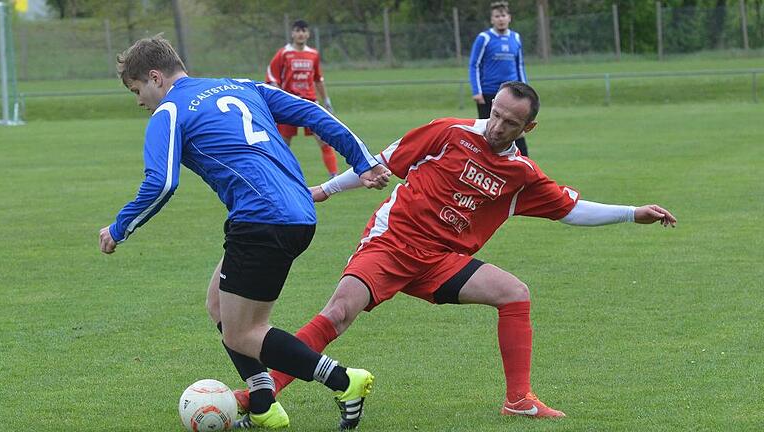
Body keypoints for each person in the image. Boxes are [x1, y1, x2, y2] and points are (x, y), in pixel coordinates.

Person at [232, 81, 677, 420]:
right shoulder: (449, 132)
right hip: (392, 244)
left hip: (440, 261)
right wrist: (326, 190)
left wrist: (631, 212)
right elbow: (380, 162)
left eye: (511, 123)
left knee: (514, 292)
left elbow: (569, 208)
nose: (498, 126)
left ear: (529, 129)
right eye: (496, 114)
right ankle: (260, 394)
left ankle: (519, 400)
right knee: (338, 314)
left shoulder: (521, 175)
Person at [97, 36, 391, 430]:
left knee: (243, 333)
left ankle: (343, 380)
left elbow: (162, 183)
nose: (139, 101)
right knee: (218, 303)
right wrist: (363, 161)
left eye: (137, 90)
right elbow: (312, 112)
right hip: (296, 213)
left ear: (155, 77)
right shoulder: (240, 85)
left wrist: (119, 228)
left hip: (261, 219)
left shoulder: (168, 112)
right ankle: (264, 403)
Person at [267, 19, 340, 178]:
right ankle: (281, 176)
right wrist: (278, 100)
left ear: (308, 34)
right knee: (283, 144)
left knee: (324, 139)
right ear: (292, 33)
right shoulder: (284, 53)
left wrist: (326, 101)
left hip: (309, 104)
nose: (300, 34)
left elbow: (318, 79)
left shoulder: (313, 54)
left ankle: (334, 176)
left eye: (304, 31)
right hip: (289, 105)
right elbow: (273, 78)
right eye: (297, 31)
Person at [469, 1, 530, 156]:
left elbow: (520, 65)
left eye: (503, 15)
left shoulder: (515, 38)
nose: (501, 19)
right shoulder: (484, 38)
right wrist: (477, 91)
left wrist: (526, 91)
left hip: (513, 94)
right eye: (497, 16)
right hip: (489, 93)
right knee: (490, 132)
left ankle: (524, 162)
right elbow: (474, 65)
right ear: (492, 19)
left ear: (509, 18)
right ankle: (487, 164)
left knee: (517, 130)